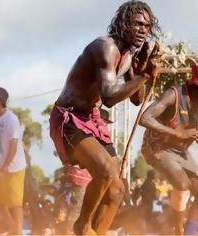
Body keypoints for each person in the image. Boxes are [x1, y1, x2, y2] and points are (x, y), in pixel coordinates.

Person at [49, 1, 161, 234]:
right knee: (107, 171)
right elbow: (109, 97)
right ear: (124, 23)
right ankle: (82, 226)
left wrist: (142, 73)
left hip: (93, 120)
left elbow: (137, 99)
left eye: (147, 26)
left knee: (116, 191)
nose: (143, 30)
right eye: (138, 24)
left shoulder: (129, 54)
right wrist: (144, 77)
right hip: (70, 119)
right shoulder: (106, 48)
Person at [140, 64, 198, 235]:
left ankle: (189, 232)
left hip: (181, 153)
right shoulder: (173, 94)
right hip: (157, 148)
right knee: (182, 184)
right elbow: (144, 118)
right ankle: (178, 231)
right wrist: (177, 133)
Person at [0, 87, 26, 235]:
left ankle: (18, 233)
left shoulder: (11, 119)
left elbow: (13, 146)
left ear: (1, 101)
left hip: (15, 167)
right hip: (2, 165)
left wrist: (4, 168)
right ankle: (12, 229)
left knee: (16, 204)